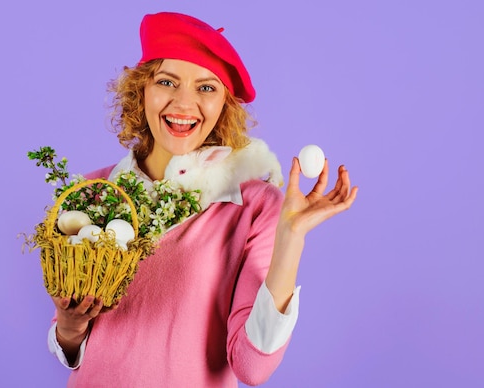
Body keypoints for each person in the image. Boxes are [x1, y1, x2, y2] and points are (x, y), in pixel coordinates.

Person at [47, 11, 358, 387]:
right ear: (140, 90)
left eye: (206, 88)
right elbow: (71, 344)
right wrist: (69, 326)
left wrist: (291, 237)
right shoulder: (94, 192)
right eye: (167, 81)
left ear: (224, 105)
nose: (184, 103)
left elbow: (251, 368)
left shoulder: (255, 206)